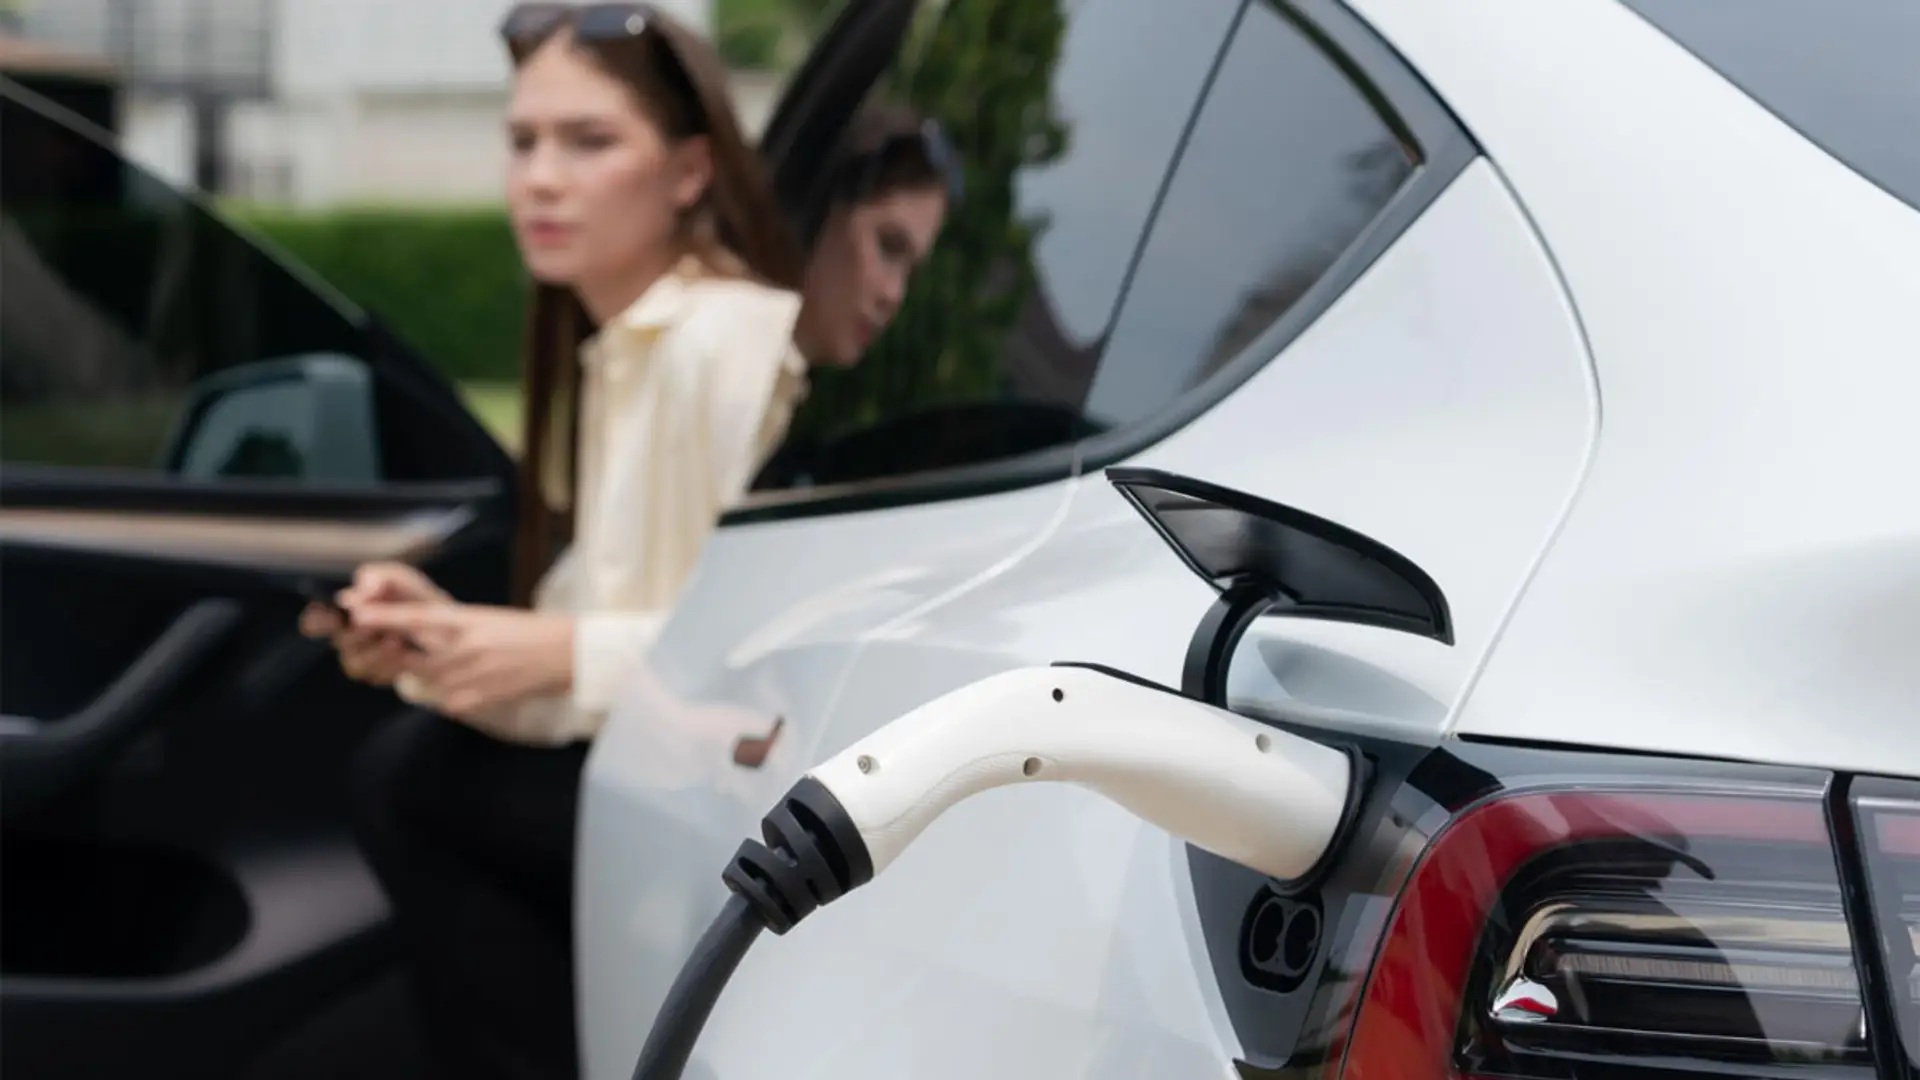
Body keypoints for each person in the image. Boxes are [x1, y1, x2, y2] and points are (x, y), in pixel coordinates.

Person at [298, 5, 804, 1078]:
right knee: (409, 771)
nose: (539, 177)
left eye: (589, 141)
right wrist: (442, 639)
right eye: (522, 141)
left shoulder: (727, 340)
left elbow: (760, 644)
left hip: (721, 785)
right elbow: (601, 615)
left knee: (412, 782)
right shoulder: (619, 349)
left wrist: (553, 654)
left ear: (689, 170)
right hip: (657, 759)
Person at [793, 100, 964, 366]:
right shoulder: (719, 339)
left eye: (912, 274)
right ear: (823, 208)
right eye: (889, 246)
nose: (894, 296)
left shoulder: (777, 387)